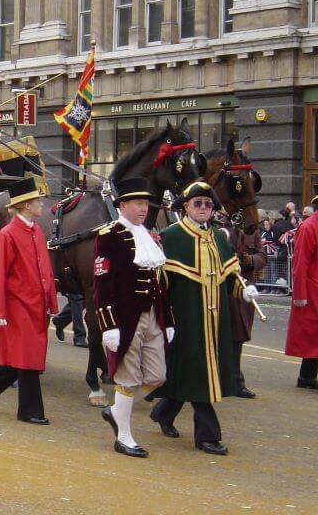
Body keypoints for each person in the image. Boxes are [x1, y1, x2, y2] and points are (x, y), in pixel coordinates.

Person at [150, 181, 259, 455]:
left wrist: (243, 290)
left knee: (191, 374)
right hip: (185, 319)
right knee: (197, 374)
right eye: (197, 203)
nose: (203, 208)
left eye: (208, 204)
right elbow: (159, 284)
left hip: (215, 321)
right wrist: (162, 319)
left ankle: (164, 413)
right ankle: (207, 436)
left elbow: (230, 277)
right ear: (186, 206)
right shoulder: (171, 236)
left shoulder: (219, 237)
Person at [94, 179, 175, 458]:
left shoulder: (147, 235)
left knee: (157, 376)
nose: (144, 209)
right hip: (125, 318)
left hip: (153, 315)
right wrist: (109, 325)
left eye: (146, 203)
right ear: (123, 205)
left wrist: (170, 320)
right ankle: (124, 437)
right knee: (128, 380)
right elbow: (102, 284)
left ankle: (116, 411)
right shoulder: (109, 235)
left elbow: (159, 282)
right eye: (138, 203)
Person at [0, 177, 59, 425]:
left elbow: (45, 269)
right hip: (17, 305)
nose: (42, 205)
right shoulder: (8, 234)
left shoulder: (35, 229)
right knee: (29, 358)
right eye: (37, 201)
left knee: (29, 355)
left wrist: (51, 301)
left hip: (36, 304)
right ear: (25, 205)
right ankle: (30, 411)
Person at [215, 213, 267, 399]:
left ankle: (236, 380)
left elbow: (262, 255)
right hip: (225, 288)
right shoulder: (217, 225)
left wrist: (250, 261)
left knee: (239, 337)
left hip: (245, 289)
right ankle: (222, 379)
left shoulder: (252, 230)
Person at [285, 182, 318, 393]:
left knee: (316, 334)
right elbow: (300, 263)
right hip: (315, 288)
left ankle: (307, 376)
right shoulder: (309, 226)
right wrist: (299, 293)